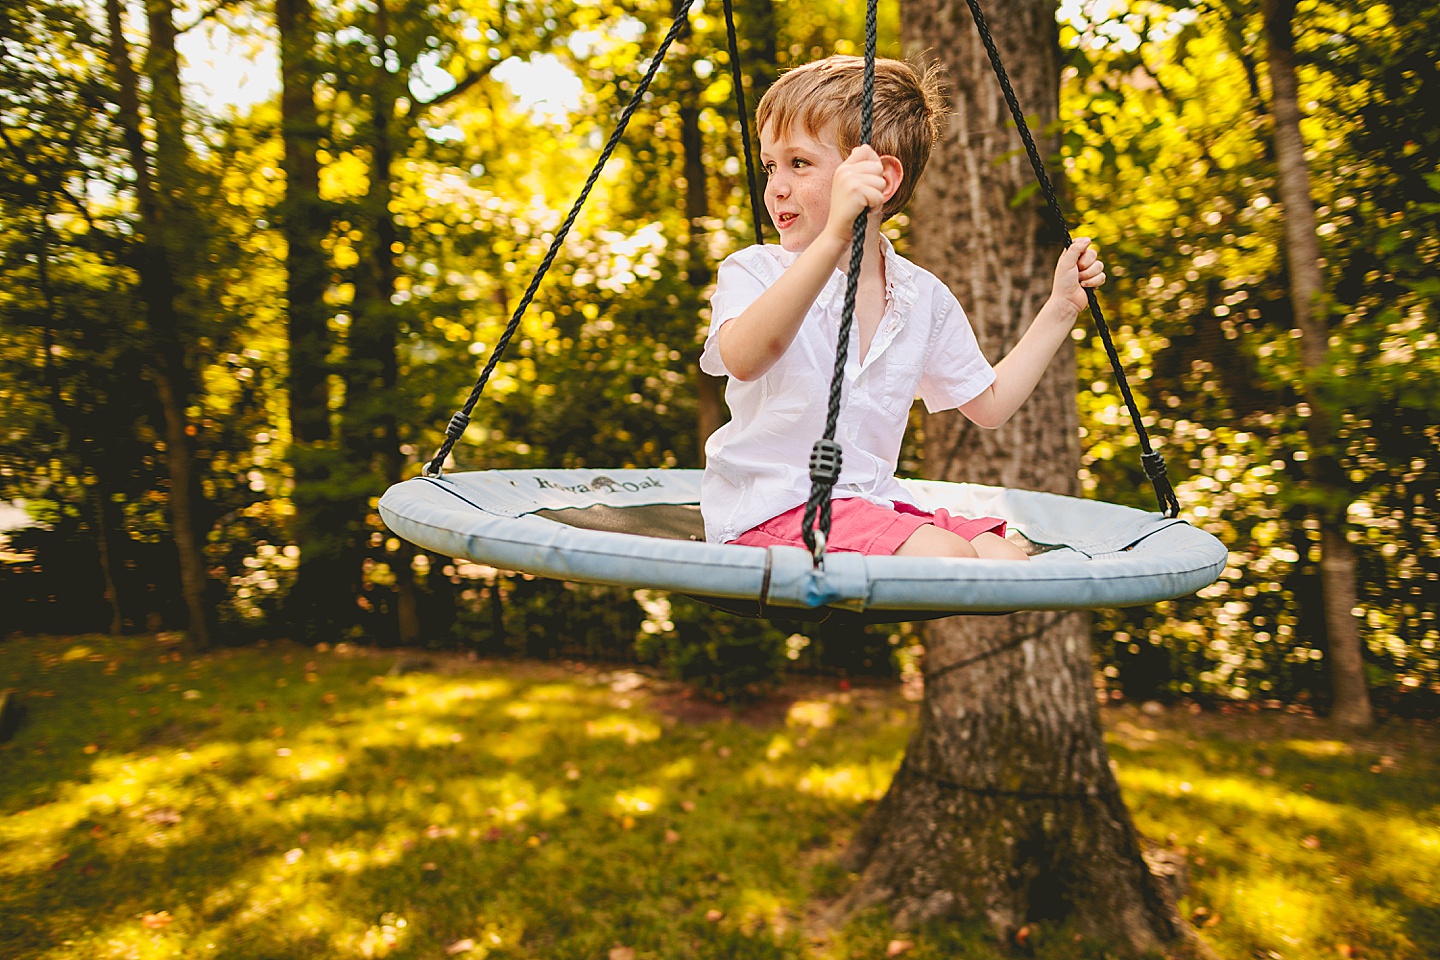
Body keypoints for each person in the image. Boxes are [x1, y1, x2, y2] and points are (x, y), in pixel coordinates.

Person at [699, 55, 1106, 560]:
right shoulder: (756, 271)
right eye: (770, 165)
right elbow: (746, 356)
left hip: (870, 502)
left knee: (1006, 556)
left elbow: (991, 405)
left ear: (882, 181)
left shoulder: (921, 296)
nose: (776, 186)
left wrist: (1061, 308)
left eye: (798, 163)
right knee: (948, 557)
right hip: (774, 507)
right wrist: (833, 238)